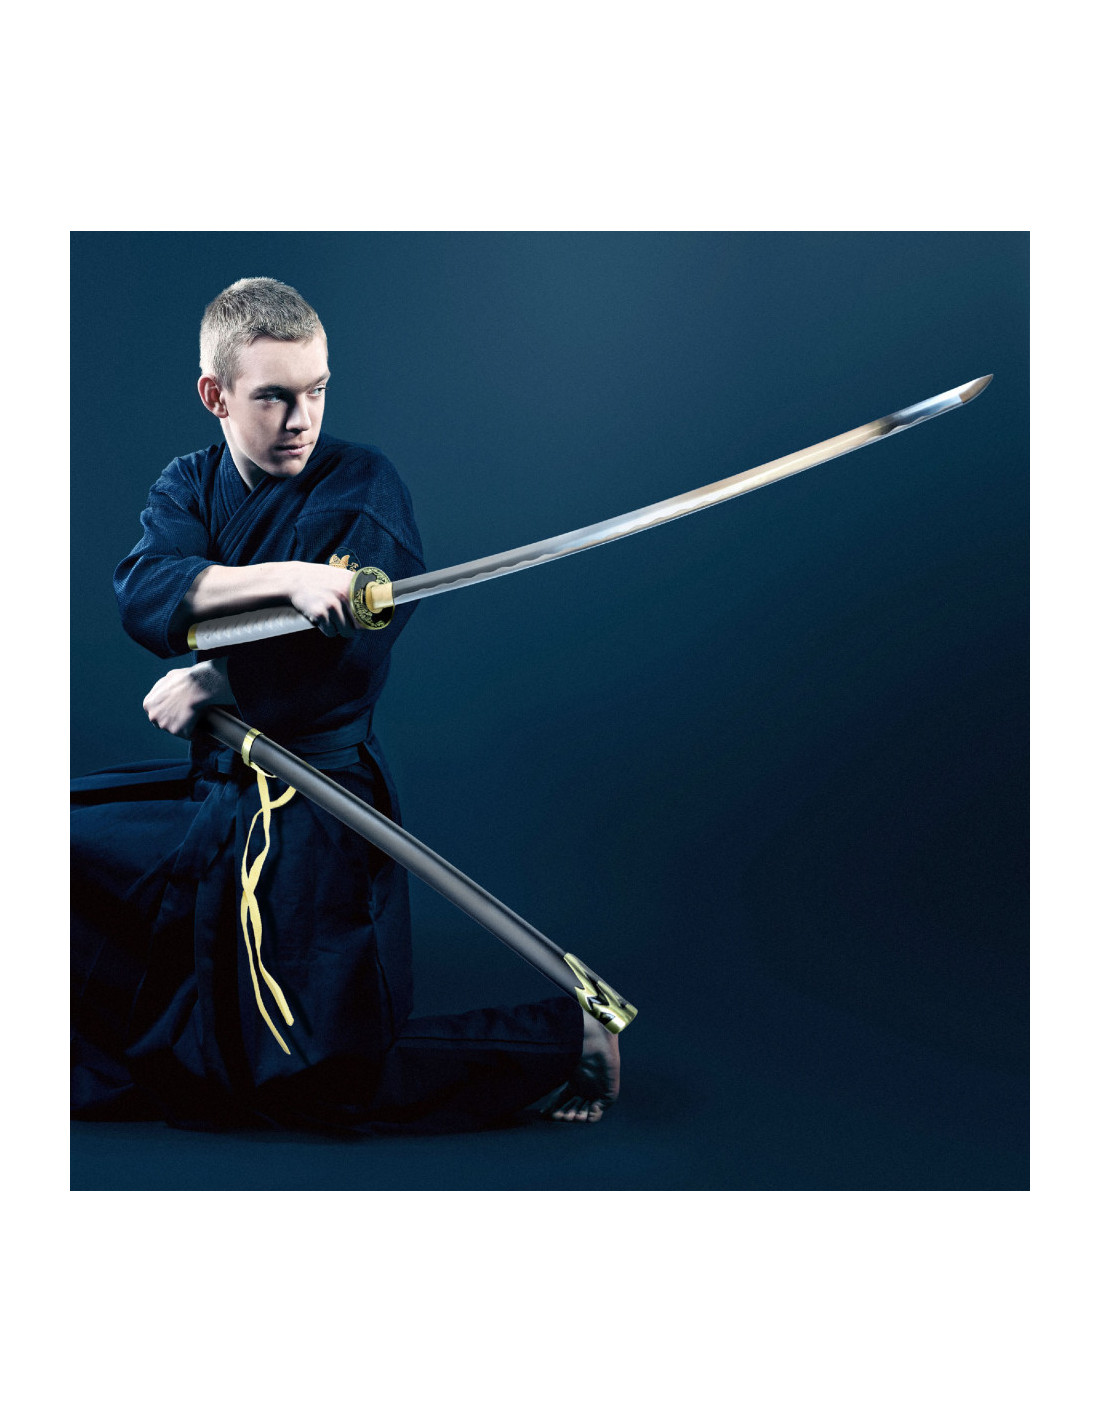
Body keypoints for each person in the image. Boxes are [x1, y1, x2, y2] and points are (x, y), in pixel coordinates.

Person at [71, 276, 620, 1133]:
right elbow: (147, 591)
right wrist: (293, 577)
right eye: (274, 397)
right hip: (218, 791)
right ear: (216, 396)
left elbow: (345, 665)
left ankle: (566, 1041)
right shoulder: (189, 483)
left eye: (317, 391)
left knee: (316, 1077)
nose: (302, 419)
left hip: (317, 806)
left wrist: (220, 681)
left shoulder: (361, 487)